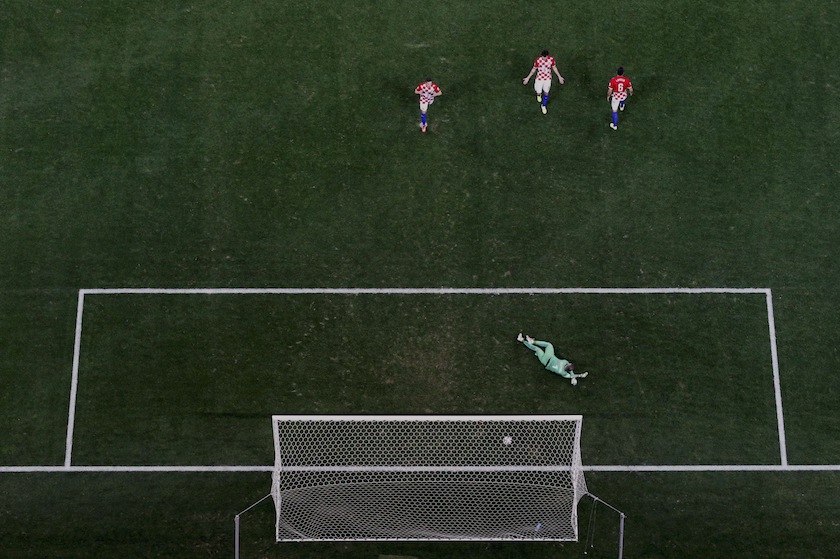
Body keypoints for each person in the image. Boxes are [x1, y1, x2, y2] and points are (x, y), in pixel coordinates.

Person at [517, 333, 588, 385]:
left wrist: (577, 376)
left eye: (569, 364)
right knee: (543, 347)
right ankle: (528, 341)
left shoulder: (564, 364)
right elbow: (570, 375)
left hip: (547, 358)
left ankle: (525, 340)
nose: (568, 363)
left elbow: (571, 374)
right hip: (548, 358)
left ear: (566, 366)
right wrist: (579, 376)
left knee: (540, 348)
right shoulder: (563, 372)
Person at [522, 50, 565, 114]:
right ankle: (538, 95)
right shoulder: (538, 60)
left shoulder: (551, 59)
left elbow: (554, 67)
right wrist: (528, 78)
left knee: (546, 92)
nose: (544, 58)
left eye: (545, 57)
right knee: (538, 91)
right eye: (543, 57)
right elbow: (534, 69)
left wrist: (559, 76)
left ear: (548, 56)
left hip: (548, 78)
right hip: (539, 78)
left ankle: (543, 105)